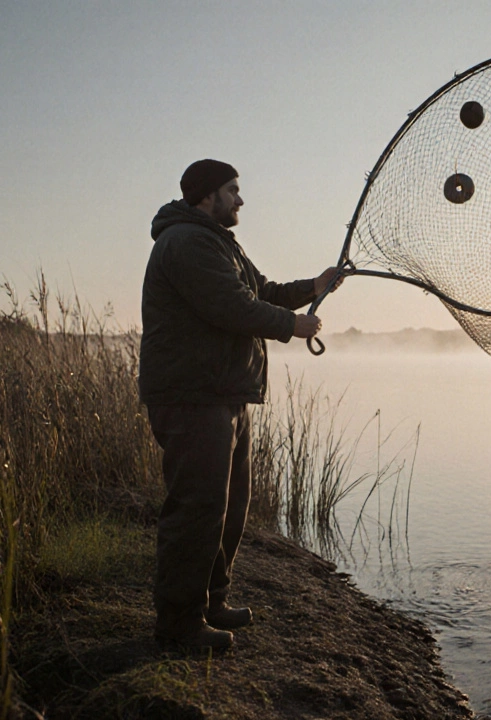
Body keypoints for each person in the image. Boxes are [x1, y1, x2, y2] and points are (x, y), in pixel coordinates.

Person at [139, 159, 341, 649]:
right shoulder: (186, 243)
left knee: (228, 508)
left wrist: (314, 288)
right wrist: (291, 326)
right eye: (233, 190)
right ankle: (178, 624)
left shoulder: (216, 241)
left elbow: (262, 291)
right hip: (193, 397)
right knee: (197, 508)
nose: (241, 199)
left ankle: (211, 600)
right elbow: (232, 306)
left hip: (224, 394)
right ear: (209, 195)